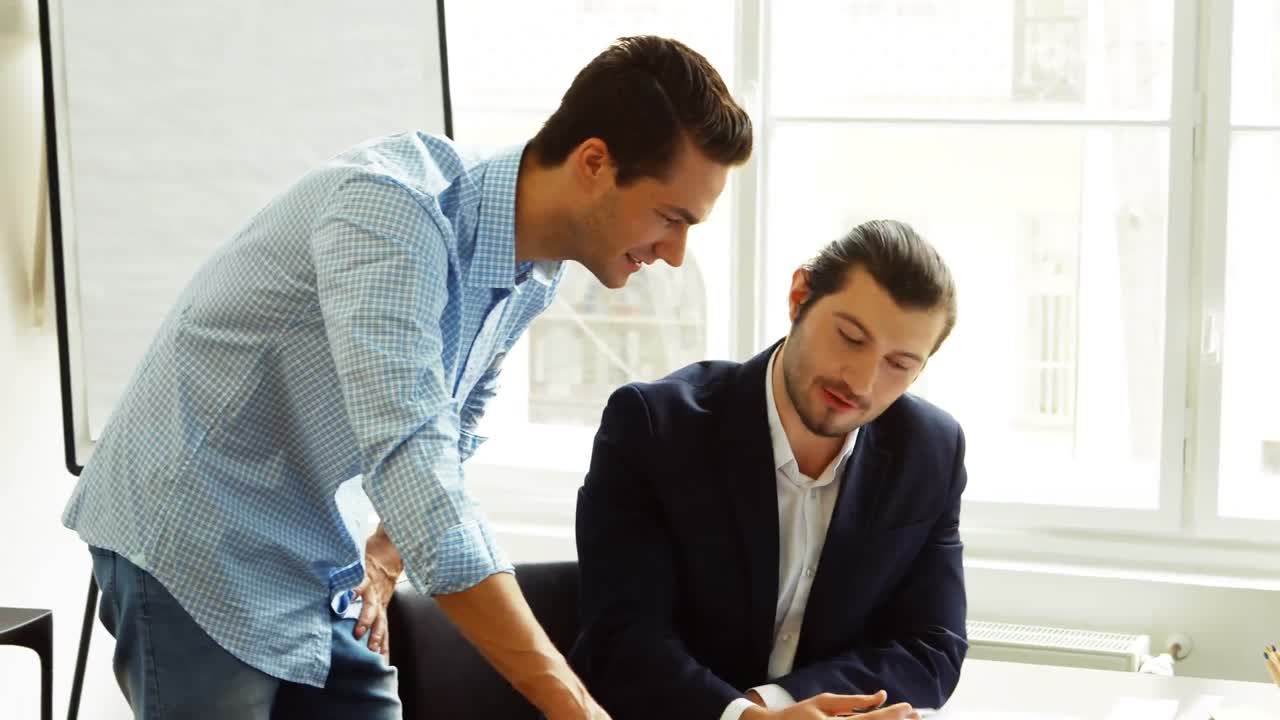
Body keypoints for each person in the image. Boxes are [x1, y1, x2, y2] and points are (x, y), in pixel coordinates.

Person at [62, 35, 751, 720]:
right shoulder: (395, 213)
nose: (675, 252)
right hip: (195, 536)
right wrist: (573, 705)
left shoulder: (533, 272)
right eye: (671, 217)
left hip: (308, 551)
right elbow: (413, 461)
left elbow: (453, 428)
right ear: (594, 163)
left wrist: (386, 558)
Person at [571, 220, 967, 720]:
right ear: (799, 296)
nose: (862, 382)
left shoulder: (931, 450)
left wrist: (776, 705)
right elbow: (622, 640)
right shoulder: (655, 428)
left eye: (900, 364)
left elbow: (932, 646)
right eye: (850, 337)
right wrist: (743, 717)